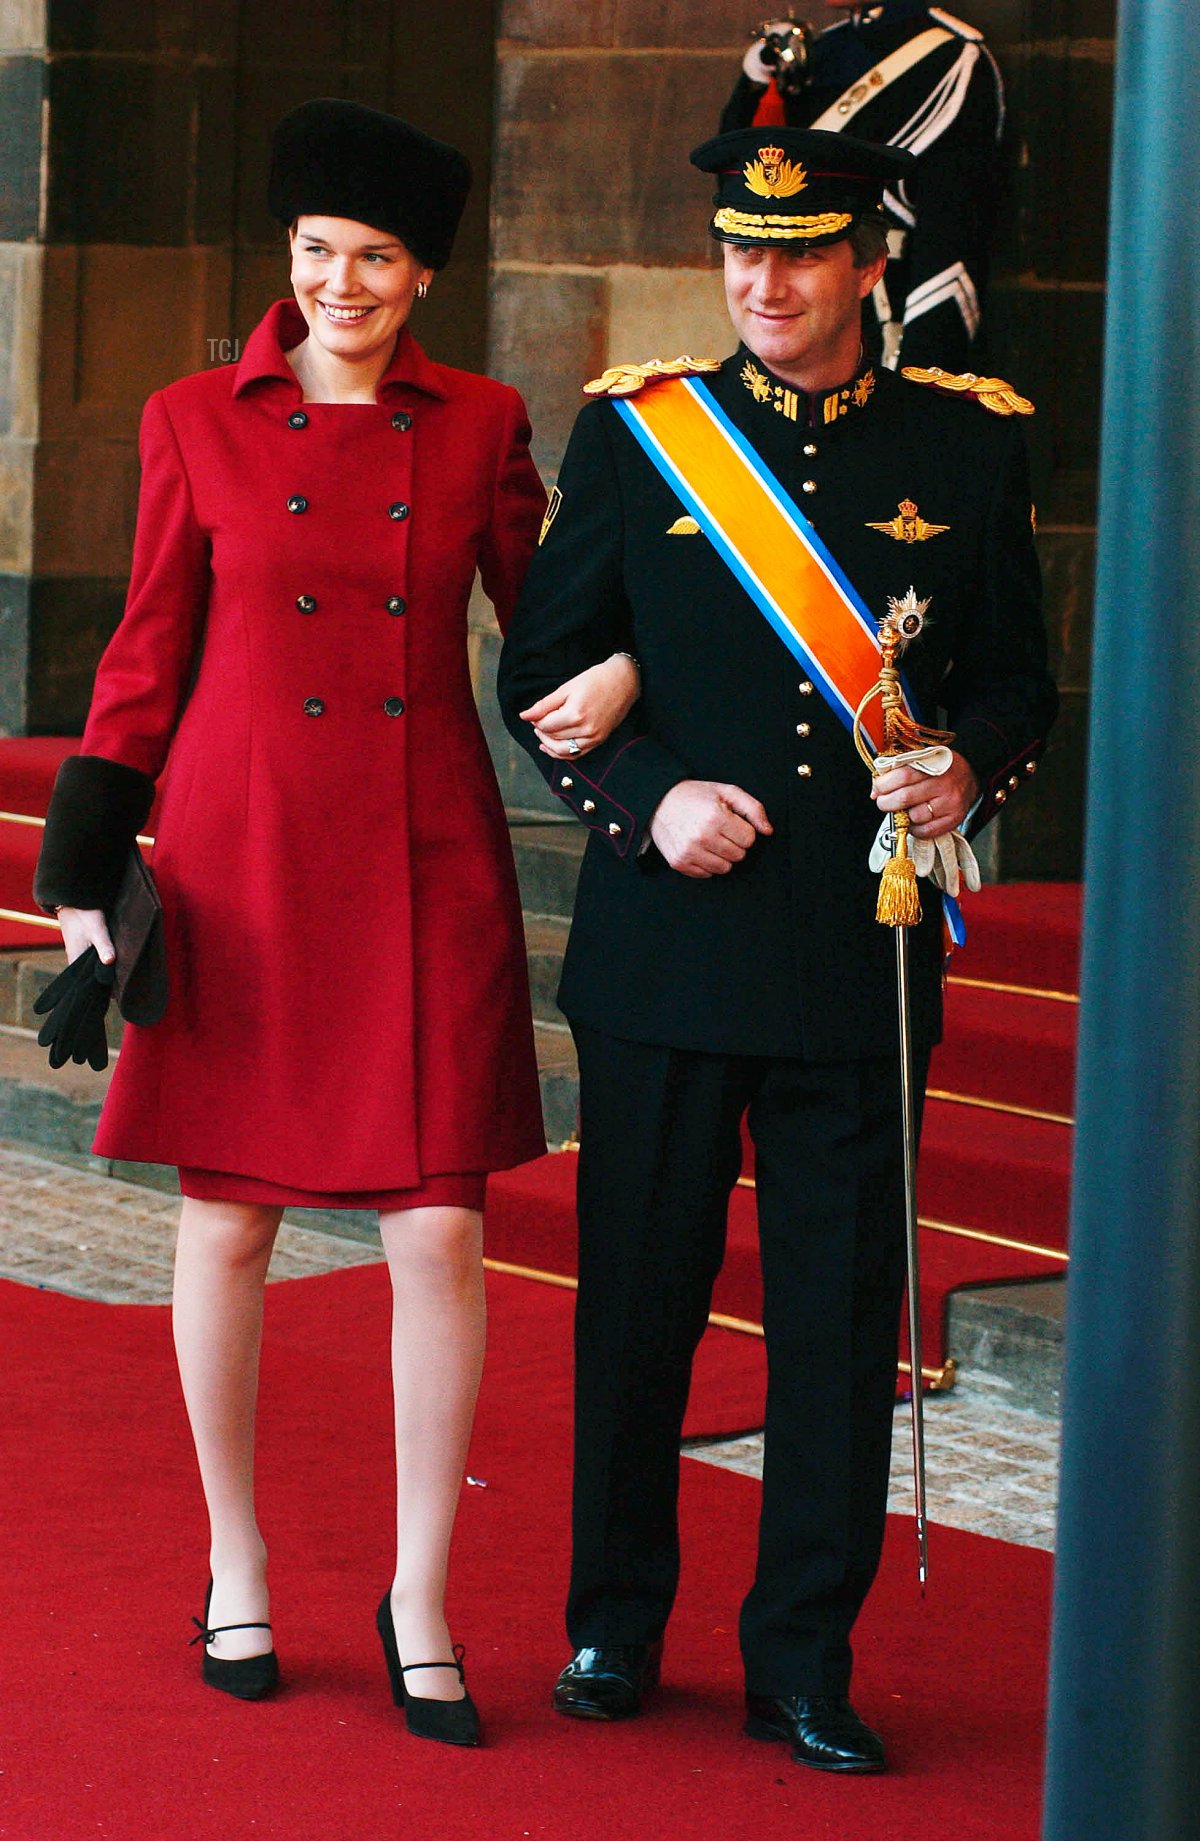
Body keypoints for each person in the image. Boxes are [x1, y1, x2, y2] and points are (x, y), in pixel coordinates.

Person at [33, 99, 638, 1745]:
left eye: (374, 258)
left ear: (423, 272)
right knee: (226, 1222)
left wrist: (636, 704)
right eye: (315, 256)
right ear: (283, 260)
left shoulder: (487, 422)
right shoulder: (191, 420)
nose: (340, 285)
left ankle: (420, 1591)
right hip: (239, 860)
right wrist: (88, 857)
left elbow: (549, 628)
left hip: (421, 856)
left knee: (440, 1231)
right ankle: (235, 1560)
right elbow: (148, 646)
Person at [498, 125, 1056, 1773]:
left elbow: (1019, 682)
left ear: (870, 263)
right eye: (742, 250)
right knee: (640, 1308)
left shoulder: (962, 454)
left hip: (855, 961)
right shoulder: (642, 435)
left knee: (832, 1324)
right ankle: (614, 1620)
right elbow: (543, 664)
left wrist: (966, 763)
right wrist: (649, 794)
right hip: (669, 944)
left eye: (801, 253)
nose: (762, 280)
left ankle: (803, 1655)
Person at [721, 7, 1005, 369]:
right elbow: (746, 185)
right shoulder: (825, 50)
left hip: (880, 318)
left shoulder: (951, 59)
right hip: (786, 312)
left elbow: (949, 232)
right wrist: (754, 86)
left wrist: (922, 368)